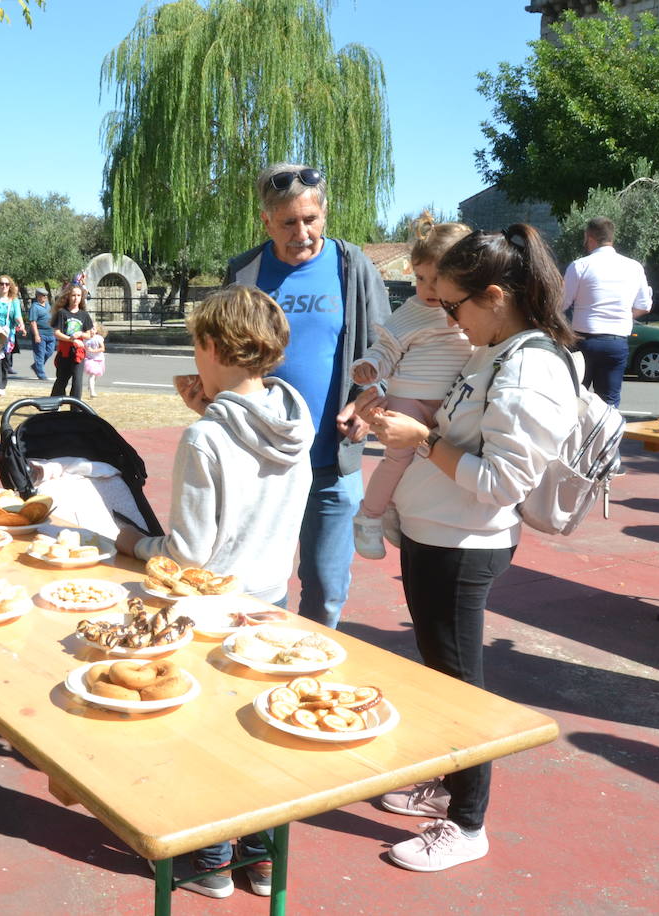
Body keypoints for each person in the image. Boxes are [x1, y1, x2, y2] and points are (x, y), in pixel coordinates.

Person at [355, 224, 578, 872]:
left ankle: (468, 822)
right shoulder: (496, 347)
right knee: (441, 675)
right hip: (438, 538)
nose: (447, 318)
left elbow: (501, 483)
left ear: (495, 295)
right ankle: (450, 785)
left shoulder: (529, 365)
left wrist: (419, 437)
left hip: (463, 546)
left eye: (454, 306)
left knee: (460, 690)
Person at [115, 285, 313, 899]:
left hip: (211, 610)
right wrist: (210, 409)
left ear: (211, 346)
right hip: (271, 602)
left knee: (202, 735)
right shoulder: (293, 419)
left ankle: (208, 859)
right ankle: (260, 858)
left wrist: (134, 544)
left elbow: (190, 554)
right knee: (257, 732)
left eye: (195, 344)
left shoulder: (206, 439)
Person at [224, 163, 389, 629]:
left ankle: (307, 675)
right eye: (288, 223)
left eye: (311, 219)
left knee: (326, 590)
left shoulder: (351, 265)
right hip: (261, 460)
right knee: (256, 585)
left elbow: (390, 349)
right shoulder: (245, 272)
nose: (302, 233)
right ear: (266, 221)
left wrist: (369, 399)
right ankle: (260, 663)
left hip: (333, 460)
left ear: (324, 214)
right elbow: (221, 353)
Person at [350, 218, 473, 559]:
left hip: (452, 402)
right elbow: (387, 348)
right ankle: (368, 516)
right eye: (420, 278)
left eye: (437, 279)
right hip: (409, 399)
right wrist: (370, 367)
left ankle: (396, 507)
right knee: (398, 458)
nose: (428, 288)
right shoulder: (412, 311)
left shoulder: (467, 310)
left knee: (433, 462)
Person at [561, 216, 651, 408]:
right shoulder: (634, 267)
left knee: (574, 398)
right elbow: (644, 305)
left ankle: (576, 438)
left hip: (583, 340)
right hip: (616, 342)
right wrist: (623, 316)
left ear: (589, 236)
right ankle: (607, 438)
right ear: (612, 238)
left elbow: (561, 303)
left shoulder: (580, 266)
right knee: (609, 401)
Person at [49, 283, 94, 399]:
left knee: (77, 382)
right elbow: (57, 333)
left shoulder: (84, 315)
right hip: (64, 353)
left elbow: (89, 334)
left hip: (78, 353)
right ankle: (53, 406)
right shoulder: (62, 313)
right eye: (73, 295)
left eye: (79, 295)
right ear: (68, 296)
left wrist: (81, 334)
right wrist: (71, 339)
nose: (76, 298)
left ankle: (75, 410)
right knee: (61, 381)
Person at [27, 288, 54, 380]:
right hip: (40, 333)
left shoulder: (48, 305)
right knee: (40, 354)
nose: (45, 297)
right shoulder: (35, 307)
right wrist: (36, 335)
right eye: (43, 295)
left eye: (46, 295)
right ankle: (41, 374)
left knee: (50, 352)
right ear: (38, 296)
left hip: (50, 333)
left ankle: (36, 366)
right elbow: (33, 322)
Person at [83, 326, 108, 398]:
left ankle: (91, 386)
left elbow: (102, 348)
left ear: (97, 330)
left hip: (99, 359)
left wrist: (93, 350)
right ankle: (92, 392)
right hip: (90, 359)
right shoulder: (85, 339)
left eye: (93, 329)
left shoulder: (98, 338)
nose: (91, 331)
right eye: (90, 329)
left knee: (96, 375)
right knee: (92, 375)